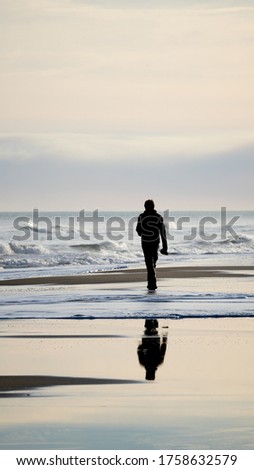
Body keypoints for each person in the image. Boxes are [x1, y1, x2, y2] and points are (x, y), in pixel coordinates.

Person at [136, 200, 168, 290]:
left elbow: (138, 230)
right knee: (153, 261)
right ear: (153, 207)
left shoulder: (141, 217)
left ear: (145, 207)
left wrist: (143, 233)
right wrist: (165, 247)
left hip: (145, 242)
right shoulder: (158, 217)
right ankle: (152, 283)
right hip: (155, 242)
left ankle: (151, 282)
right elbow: (163, 233)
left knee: (148, 262)